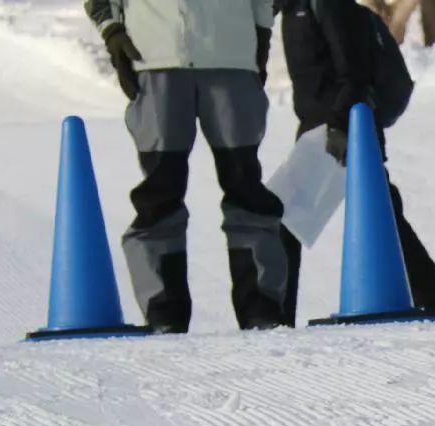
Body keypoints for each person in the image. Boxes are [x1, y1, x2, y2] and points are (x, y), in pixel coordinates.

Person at [85, 0, 290, 333]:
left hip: (231, 55)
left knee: (245, 185)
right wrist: (112, 31)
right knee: (159, 190)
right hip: (154, 56)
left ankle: (261, 308)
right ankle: (163, 310)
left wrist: (261, 33)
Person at [276, 0, 435, 320]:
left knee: (284, 219)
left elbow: (354, 72)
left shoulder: (328, 6)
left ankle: (276, 318)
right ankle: (434, 294)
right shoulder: (294, 9)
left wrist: (339, 127)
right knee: (384, 213)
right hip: (326, 130)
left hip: (340, 131)